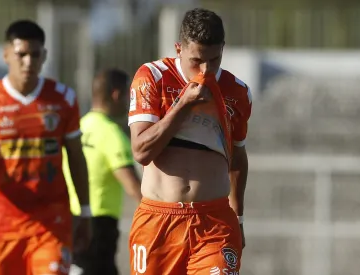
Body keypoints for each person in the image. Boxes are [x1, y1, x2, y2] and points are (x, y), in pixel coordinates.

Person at [0, 19, 91, 275]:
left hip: (51, 223)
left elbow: (76, 156)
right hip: (1, 225)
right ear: (7, 54)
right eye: (21, 54)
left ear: (44, 56)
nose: (28, 62)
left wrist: (85, 211)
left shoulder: (63, 99)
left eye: (35, 54)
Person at [127, 8, 252, 274]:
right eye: (197, 61)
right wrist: (183, 105)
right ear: (178, 49)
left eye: (215, 60)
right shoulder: (153, 78)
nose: (206, 71)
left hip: (214, 223)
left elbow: (238, 157)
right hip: (158, 221)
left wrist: (238, 217)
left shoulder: (238, 92)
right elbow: (141, 151)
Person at [63, 68, 142, 275]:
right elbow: (134, 187)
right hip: (99, 226)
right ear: (116, 95)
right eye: (128, 95)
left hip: (71, 218)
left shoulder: (80, 127)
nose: (129, 102)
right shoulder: (112, 134)